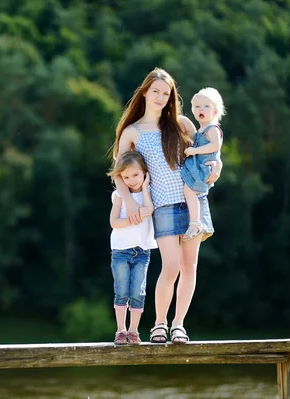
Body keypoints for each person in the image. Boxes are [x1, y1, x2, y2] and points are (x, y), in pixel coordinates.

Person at [110, 67, 222, 344]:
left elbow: (204, 154)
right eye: (156, 91)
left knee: (189, 266)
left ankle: (179, 325)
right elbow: (119, 174)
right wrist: (127, 201)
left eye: (166, 93)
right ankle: (159, 324)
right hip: (163, 206)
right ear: (145, 92)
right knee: (170, 266)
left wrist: (217, 165)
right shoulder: (132, 132)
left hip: (193, 202)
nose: (161, 97)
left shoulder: (182, 124)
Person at [107, 151, 158, 345]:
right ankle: (121, 330)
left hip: (142, 251)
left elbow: (150, 209)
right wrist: (131, 219)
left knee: (138, 291)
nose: (131, 180)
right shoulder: (119, 195)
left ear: (144, 172)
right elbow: (113, 222)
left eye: (135, 175)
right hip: (121, 250)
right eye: (126, 177)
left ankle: (134, 331)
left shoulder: (150, 192)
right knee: (121, 290)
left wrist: (145, 189)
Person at [181, 88, 225, 241]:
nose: (201, 109)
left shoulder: (212, 129)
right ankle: (198, 222)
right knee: (190, 191)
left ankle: (196, 223)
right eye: (197, 106)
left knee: (189, 191)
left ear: (215, 111)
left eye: (206, 106)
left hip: (203, 168)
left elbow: (214, 146)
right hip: (197, 166)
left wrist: (194, 150)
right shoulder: (201, 129)